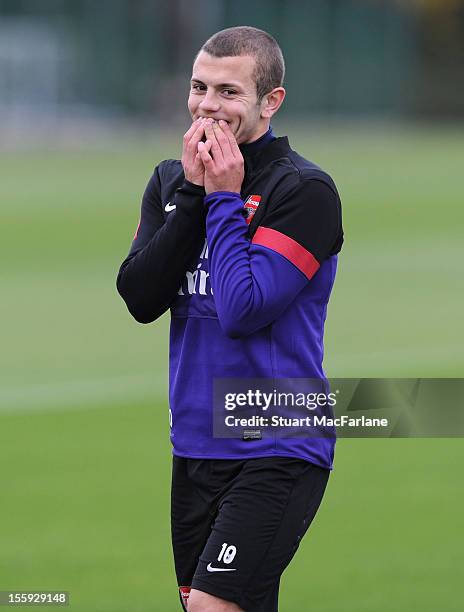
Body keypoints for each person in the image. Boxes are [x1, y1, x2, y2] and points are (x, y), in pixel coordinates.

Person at [117, 25, 343, 612]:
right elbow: (141, 298)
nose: (209, 106)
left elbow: (243, 310)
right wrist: (195, 194)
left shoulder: (303, 191)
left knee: (212, 607)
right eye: (199, 87)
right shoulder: (172, 181)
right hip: (194, 444)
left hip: (277, 442)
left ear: (271, 101)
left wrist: (221, 196)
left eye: (229, 91)